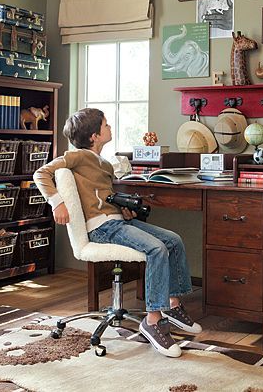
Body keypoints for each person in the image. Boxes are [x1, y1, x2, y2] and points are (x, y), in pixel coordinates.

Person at [33, 108, 202, 358]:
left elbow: (103, 197)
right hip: (102, 228)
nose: (110, 127)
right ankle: (153, 320)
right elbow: (41, 173)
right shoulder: (77, 156)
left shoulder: (103, 163)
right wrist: (57, 202)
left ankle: (172, 305)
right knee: (157, 248)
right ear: (94, 136)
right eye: (106, 125)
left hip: (117, 223)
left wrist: (123, 211)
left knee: (173, 240)